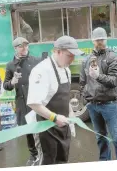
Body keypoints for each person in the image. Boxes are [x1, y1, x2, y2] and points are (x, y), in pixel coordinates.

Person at [27, 35, 84, 165]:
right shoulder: (42, 70)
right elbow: (34, 103)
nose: (72, 59)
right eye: (69, 55)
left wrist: (71, 118)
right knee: (47, 162)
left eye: (74, 56)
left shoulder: (66, 71)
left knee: (62, 161)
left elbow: (65, 98)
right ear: (57, 51)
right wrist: (54, 118)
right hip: (45, 127)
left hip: (63, 125)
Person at [79, 27, 117, 161]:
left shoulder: (113, 57)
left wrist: (98, 76)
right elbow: (82, 82)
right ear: (92, 41)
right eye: (97, 40)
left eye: (102, 39)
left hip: (110, 105)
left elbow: (114, 80)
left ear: (106, 40)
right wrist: (86, 99)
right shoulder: (86, 60)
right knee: (100, 138)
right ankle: (104, 162)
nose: (99, 42)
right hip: (93, 106)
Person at [3, 37, 41, 166]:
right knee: (28, 130)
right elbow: (6, 85)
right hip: (22, 102)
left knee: (41, 128)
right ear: (15, 48)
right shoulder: (10, 65)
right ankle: (33, 155)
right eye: (21, 46)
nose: (24, 48)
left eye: (26, 46)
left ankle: (44, 152)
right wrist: (12, 82)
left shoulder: (36, 61)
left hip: (37, 101)